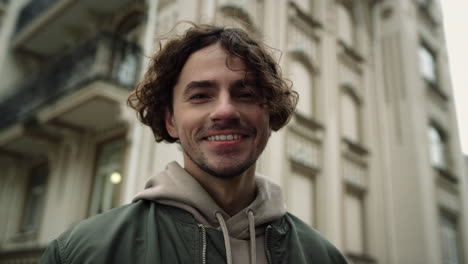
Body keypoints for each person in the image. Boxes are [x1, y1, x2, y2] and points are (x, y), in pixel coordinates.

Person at [41, 24, 347, 264]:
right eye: (200, 95)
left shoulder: (323, 257)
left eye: (246, 94)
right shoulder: (79, 254)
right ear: (171, 120)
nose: (225, 110)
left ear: (270, 115)